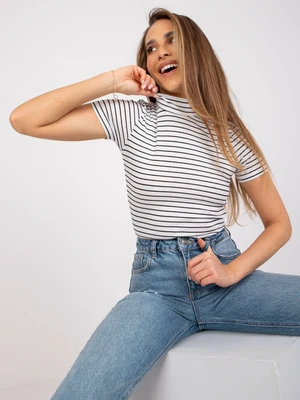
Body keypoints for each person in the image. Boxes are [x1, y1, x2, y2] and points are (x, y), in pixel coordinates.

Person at [9, 7, 300, 400]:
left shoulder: (230, 136)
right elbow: (24, 119)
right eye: (150, 47)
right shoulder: (132, 116)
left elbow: (279, 223)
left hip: (223, 280)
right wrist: (112, 81)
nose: (160, 51)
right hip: (156, 291)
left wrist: (231, 272)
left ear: (196, 50)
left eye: (171, 39)